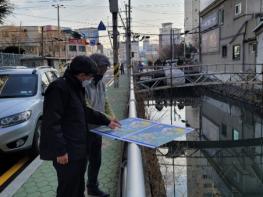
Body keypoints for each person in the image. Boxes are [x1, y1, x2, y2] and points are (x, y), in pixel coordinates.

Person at [40, 56, 120, 197]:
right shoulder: (59, 88)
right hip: (66, 151)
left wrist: (106, 121)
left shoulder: (76, 87)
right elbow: (51, 123)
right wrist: (60, 151)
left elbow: (85, 111)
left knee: (78, 186)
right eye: (88, 77)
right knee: (67, 188)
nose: (89, 80)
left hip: (77, 148)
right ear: (82, 75)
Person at [83, 53, 114, 197]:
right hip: (85, 130)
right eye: (101, 69)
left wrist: (113, 117)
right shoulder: (84, 84)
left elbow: (105, 103)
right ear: (93, 67)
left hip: (98, 129)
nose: (103, 72)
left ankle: (92, 187)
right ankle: (78, 190)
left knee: (96, 161)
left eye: (105, 69)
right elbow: (87, 108)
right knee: (82, 163)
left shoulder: (101, 84)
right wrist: (107, 120)